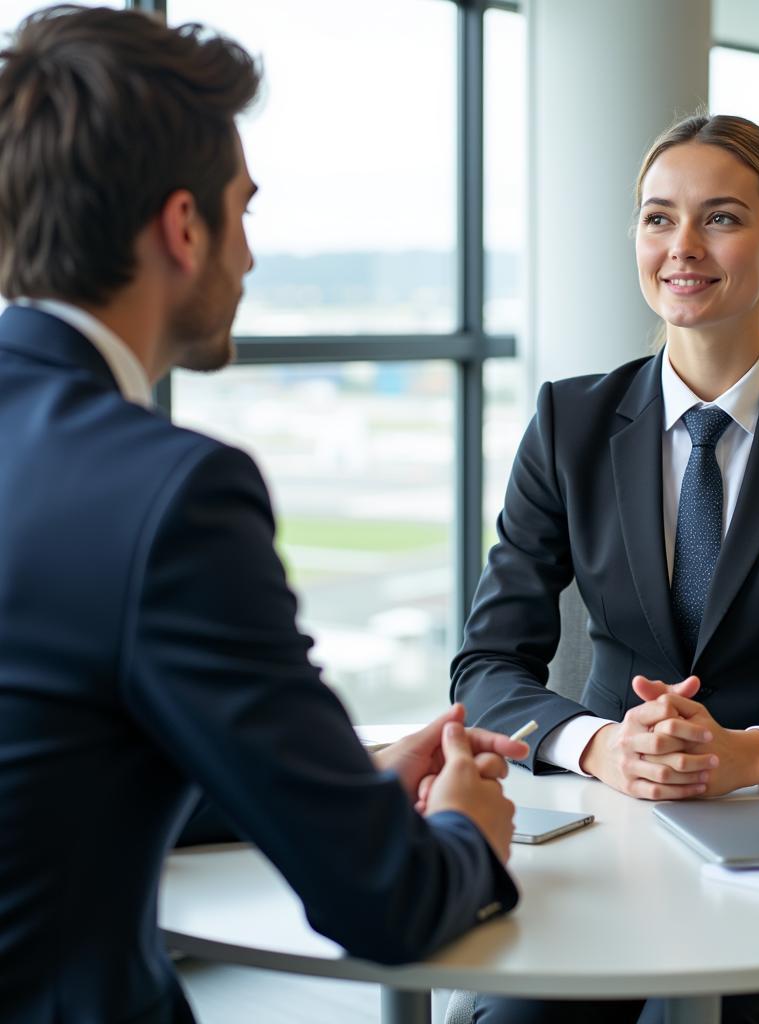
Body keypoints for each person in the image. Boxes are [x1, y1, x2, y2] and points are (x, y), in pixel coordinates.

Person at [0, 7, 529, 1023]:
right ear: (183, 227)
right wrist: (467, 829)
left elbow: (52, 769)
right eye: (243, 211)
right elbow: (388, 905)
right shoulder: (171, 495)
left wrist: (344, 774)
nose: (250, 255)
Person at [452, 113, 759, 1023]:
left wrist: (750, 755)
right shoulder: (569, 423)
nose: (682, 247)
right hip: (605, 838)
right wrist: (605, 747)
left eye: (720, 218)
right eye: (658, 218)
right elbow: (486, 668)